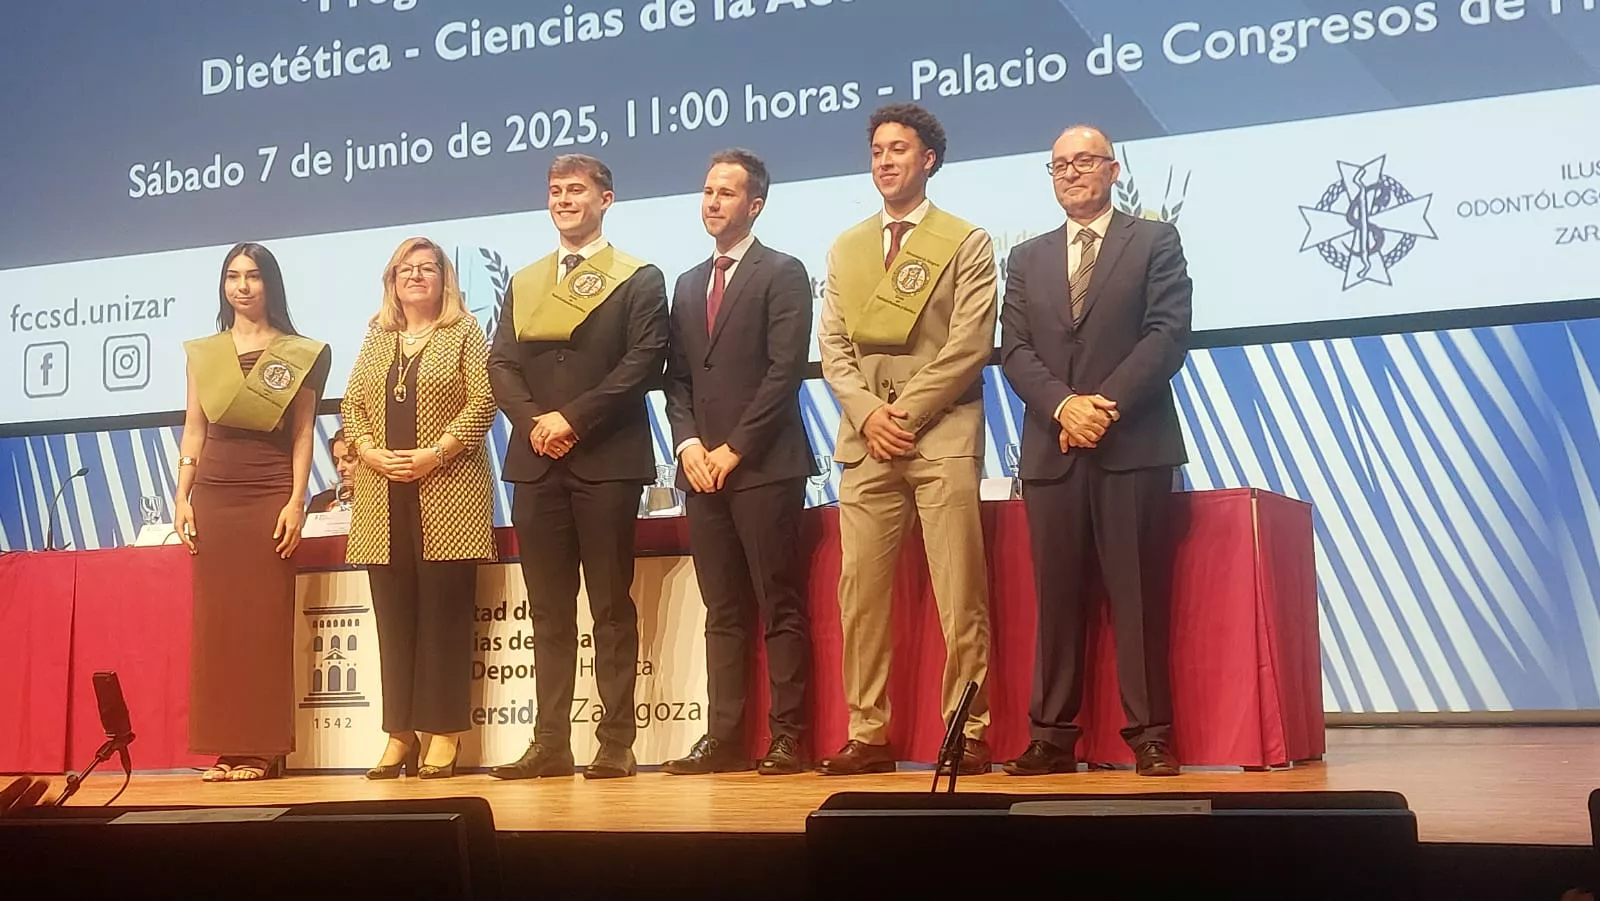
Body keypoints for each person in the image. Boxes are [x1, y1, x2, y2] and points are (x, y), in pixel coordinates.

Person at [999, 125, 1192, 778]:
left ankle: (1151, 735)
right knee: (1055, 599)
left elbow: (1167, 336)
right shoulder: (1025, 259)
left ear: (1113, 170)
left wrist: (1100, 406)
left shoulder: (1155, 240)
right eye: (1059, 165)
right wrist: (1063, 406)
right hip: (1053, 448)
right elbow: (1015, 351)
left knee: (1137, 596)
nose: (1072, 173)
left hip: (1131, 442)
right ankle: (1051, 736)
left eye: (1084, 161)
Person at [816, 103, 998, 776]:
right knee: (859, 593)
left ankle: (966, 728)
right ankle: (868, 732)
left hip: (941, 435)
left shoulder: (966, 240)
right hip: (865, 443)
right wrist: (868, 414)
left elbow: (969, 344)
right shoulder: (846, 245)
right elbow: (832, 347)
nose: (885, 160)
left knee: (961, 593)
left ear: (928, 160)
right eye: (877, 151)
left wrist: (907, 414)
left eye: (898, 149)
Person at [486, 154, 668, 781]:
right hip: (536, 463)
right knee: (548, 611)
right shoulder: (524, 280)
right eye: (555, 191)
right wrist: (536, 421)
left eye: (577, 191)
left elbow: (644, 362)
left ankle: (615, 741)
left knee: (611, 606)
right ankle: (549, 742)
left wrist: (574, 419)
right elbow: (500, 365)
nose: (564, 200)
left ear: (606, 200)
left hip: (607, 461)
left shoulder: (639, 278)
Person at [660, 150, 816, 776]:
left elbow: (784, 374)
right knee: (721, 608)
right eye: (707, 191)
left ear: (755, 205)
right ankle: (722, 736)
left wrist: (733, 448)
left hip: (764, 466)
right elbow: (677, 380)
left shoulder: (783, 271)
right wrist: (690, 445)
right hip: (702, 471)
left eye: (727, 192)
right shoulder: (688, 282)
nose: (713, 202)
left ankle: (787, 735)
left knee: (777, 602)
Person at [342, 237, 498, 780]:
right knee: (395, 621)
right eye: (405, 269)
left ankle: (444, 733)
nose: (416, 276)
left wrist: (437, 453)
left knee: (444, 621)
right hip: (381, 499)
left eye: (427, 268)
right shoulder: (377, 338)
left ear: (444, 279)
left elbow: (484, 402)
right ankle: (399, 734)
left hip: (448, 493)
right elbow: (352, 406)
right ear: (392, 281)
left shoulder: (464, 332)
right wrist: (367, 451)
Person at [174, 242, 331, 782]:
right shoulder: (204, 353)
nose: (242, 286)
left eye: (254, 276)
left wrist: (296, 500)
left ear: (271, 285)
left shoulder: (301, 352)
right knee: (218, 625)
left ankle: (264, 747)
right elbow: (195, 428)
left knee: (262, 622)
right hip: (214, 494)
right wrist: (182, 495)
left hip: (268, 492)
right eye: (233, 276)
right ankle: (225, 745)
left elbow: (304, 432)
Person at [306, 428, 357, 513]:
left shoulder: (382, 501)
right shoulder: (320, 501)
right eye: (336, 461)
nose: (339, 468)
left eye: (349, 460)